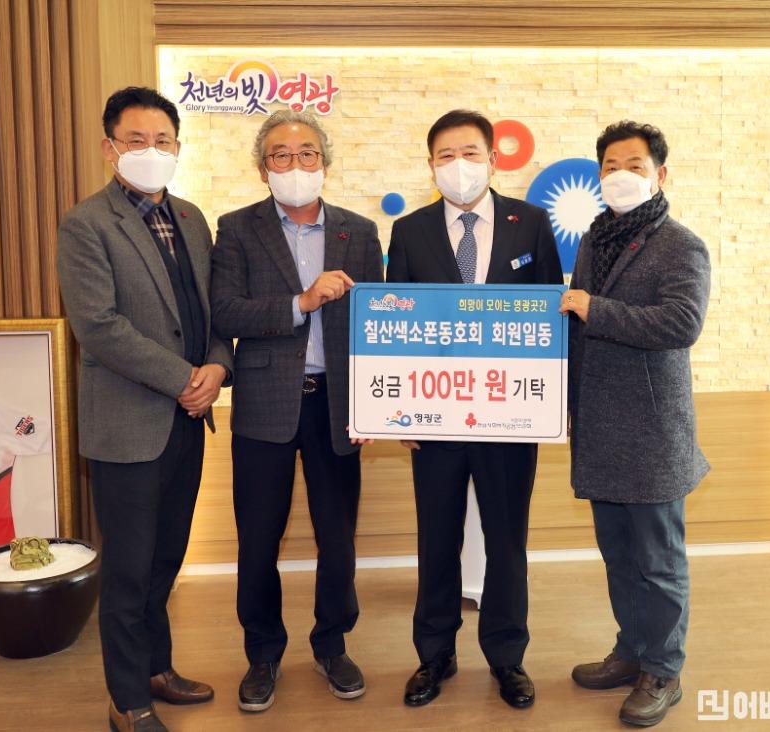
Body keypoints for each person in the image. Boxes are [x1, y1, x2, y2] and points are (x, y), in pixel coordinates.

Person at [56, 87, 233, 732]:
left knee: (166, 559)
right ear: (110, 148)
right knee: (129, 569)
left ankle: (158, 668)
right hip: (129, 425)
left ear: (178, 148)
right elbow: (98, 326)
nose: (150, 151)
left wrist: (218, 367)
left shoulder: (191, 218)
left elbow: (212, 310)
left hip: (187, 419)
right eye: (136, 140)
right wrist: (185, 377)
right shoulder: (86, 224)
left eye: (162, 141)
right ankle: (128, 698)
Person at [386, 109, 563, 709]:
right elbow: (397, 327)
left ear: (492, 159)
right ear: (430, 164)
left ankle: (507, 657)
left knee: (507, 541)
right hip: (434, 417)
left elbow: (551, 320)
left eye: (469, 153)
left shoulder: (530, 224)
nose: (457, 165)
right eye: (445, 155)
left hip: (509, 417)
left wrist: (552, 405)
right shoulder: (409, 231)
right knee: (436, 539)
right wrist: (399, 412)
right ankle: (434, 655)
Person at [210, 110, 384, 713]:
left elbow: (377, 323)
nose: (295, 164)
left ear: (324, 163)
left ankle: (332, 644)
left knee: (338, 537)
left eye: (307, 153)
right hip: (265, 404)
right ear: (263, 169)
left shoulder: (359, 232)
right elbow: (225, 311)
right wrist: (300, 302)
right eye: (281, 155)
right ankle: (262, 653)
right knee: (259, 537)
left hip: (338, 405)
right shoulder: (237, 228)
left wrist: (374, 405)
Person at [559, 120, 710, 728]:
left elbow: (681, 323)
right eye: (611, 167)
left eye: (635, 166)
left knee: (659, 561)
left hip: (651, 433)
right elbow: (574, 327)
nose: (621, 176)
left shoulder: (681, 245)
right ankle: (631, 651)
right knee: (619, 556)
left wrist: (596, 308)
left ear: (660, 174)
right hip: (598, 427)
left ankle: (664, 670)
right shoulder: (594, 241)